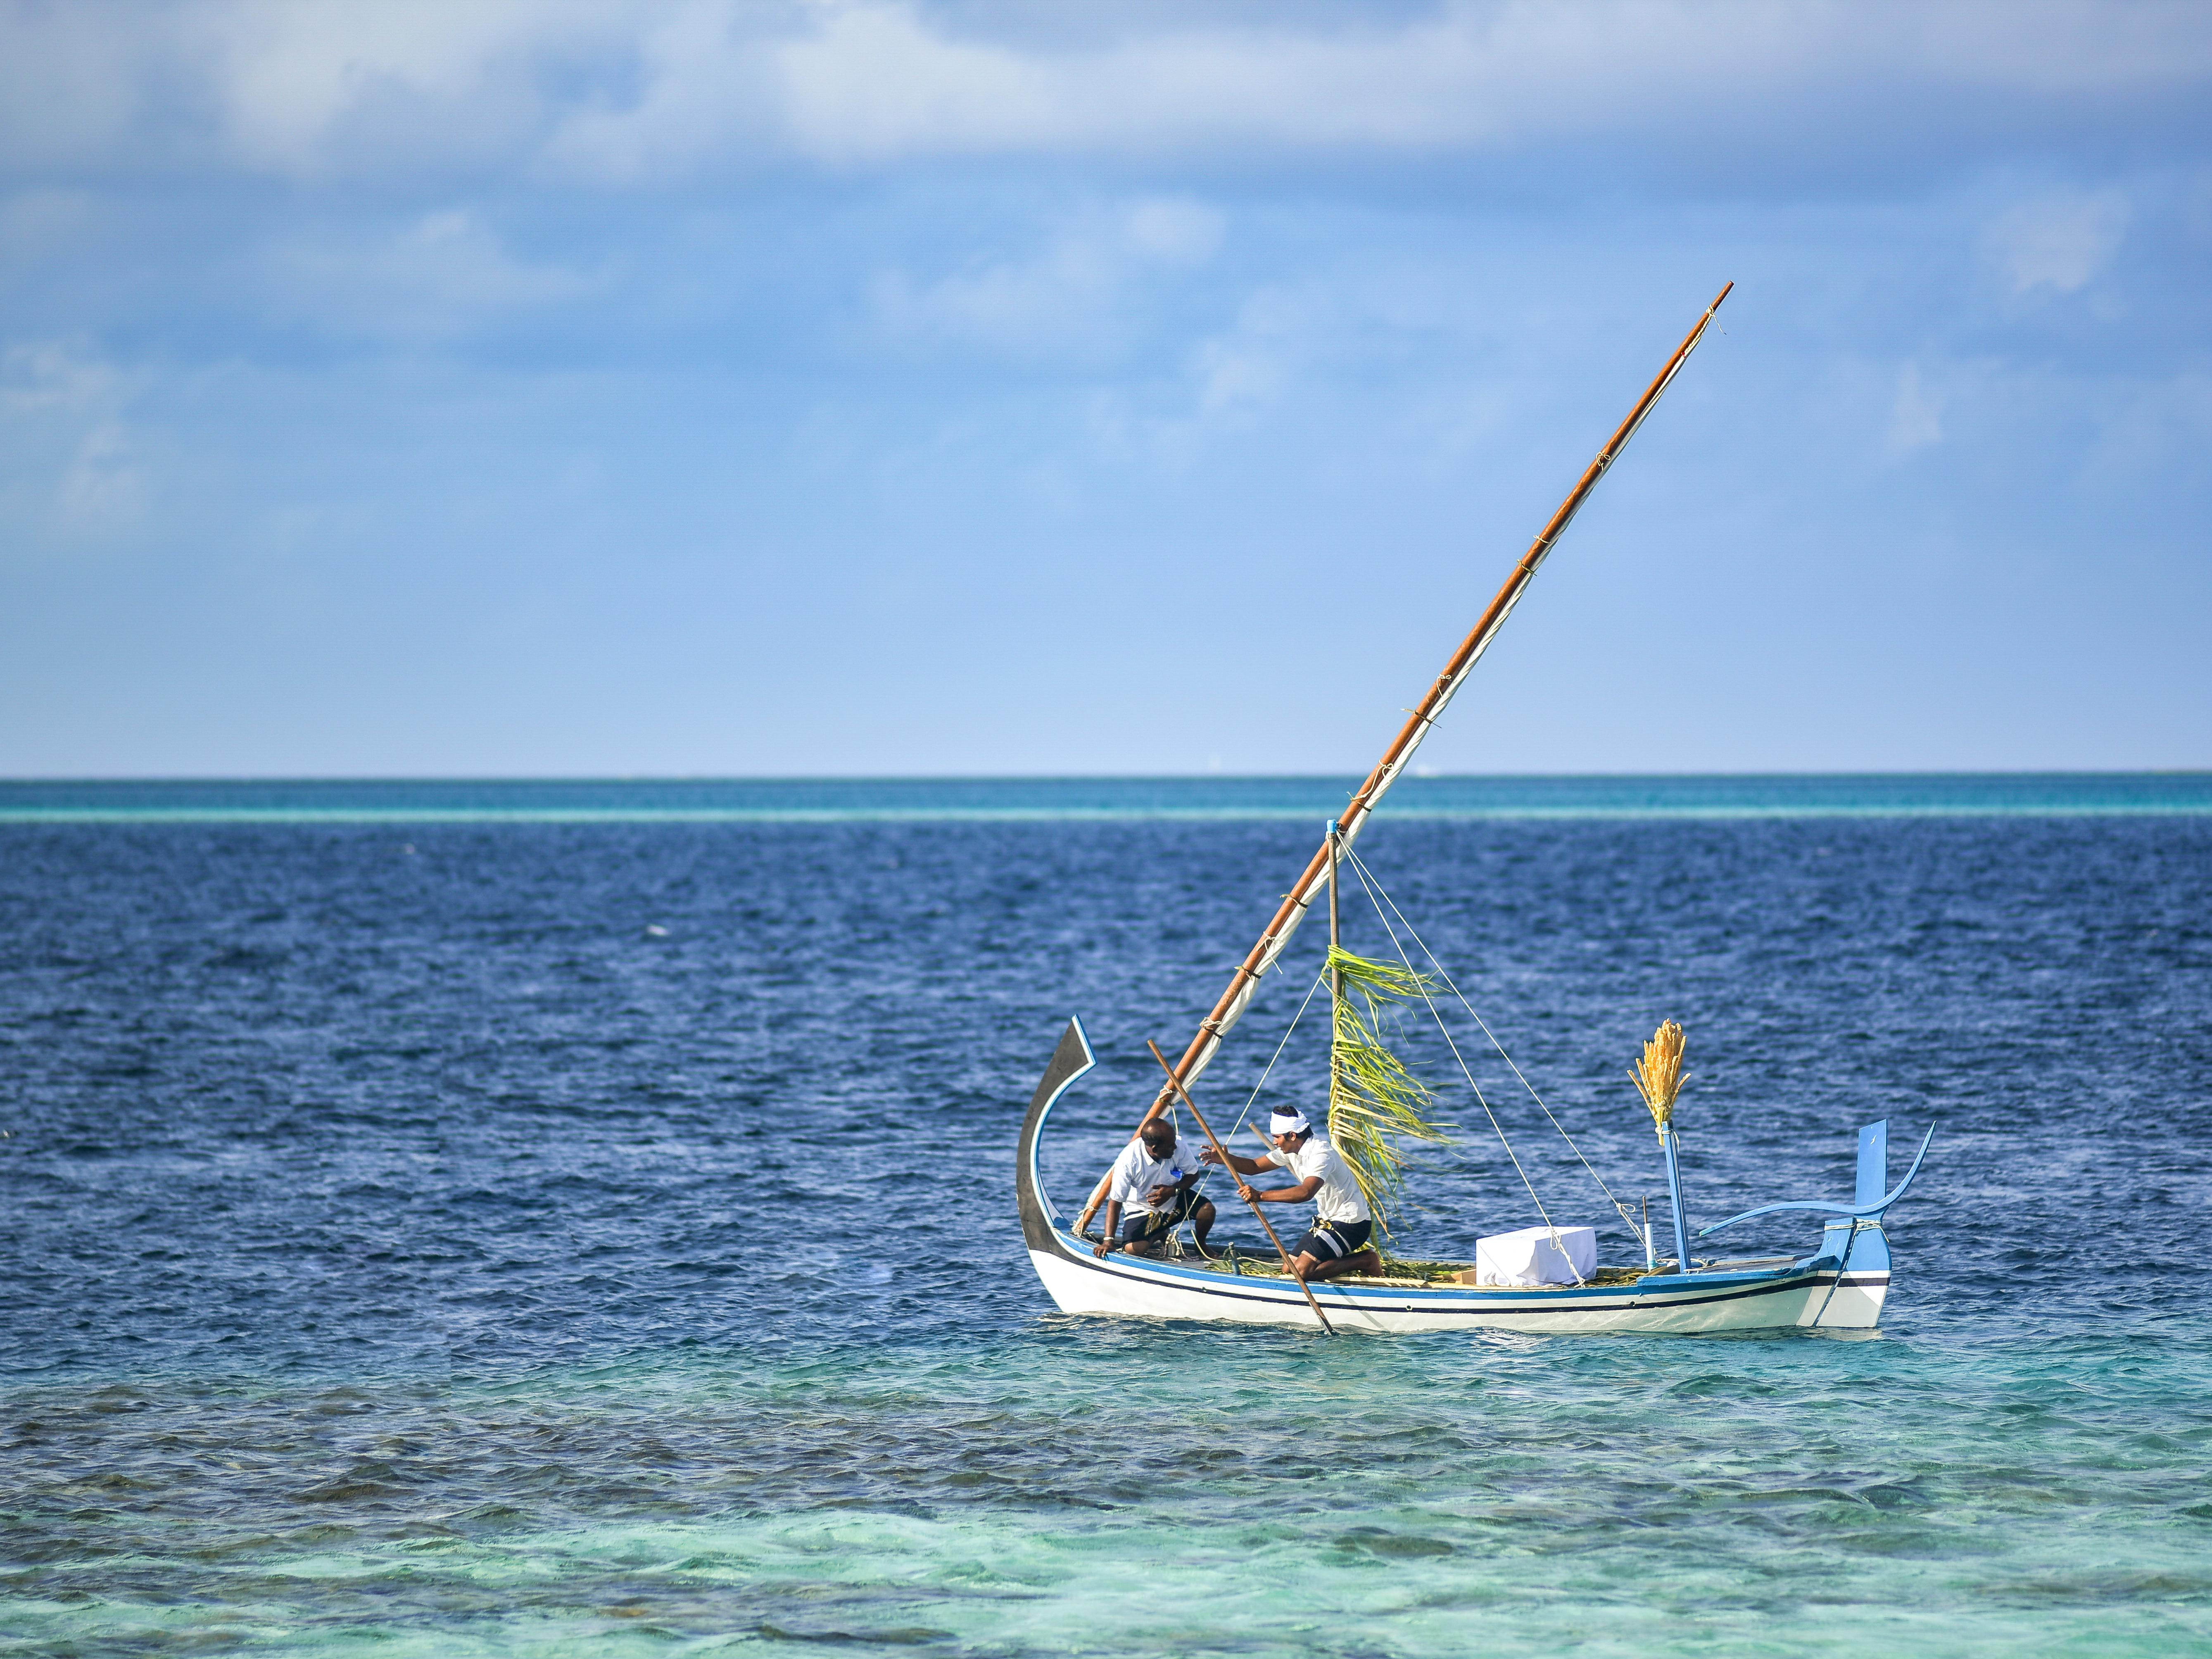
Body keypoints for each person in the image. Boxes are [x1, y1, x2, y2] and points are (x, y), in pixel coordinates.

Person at [1199, 1108, 1380, 1281]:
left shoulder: (1321, 1153)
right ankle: (1331, 1264)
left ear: (1292, 1136)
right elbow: (1255, 1167)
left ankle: (1366, 1260)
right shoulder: (1292, 1150)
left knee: (1301, 1271)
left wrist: (1261, 1196)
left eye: (1277, 1138)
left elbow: (1306, 1193)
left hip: (1351, 1225)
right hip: (1328, 1221)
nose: (1276, 1142)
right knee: (1289, 1268)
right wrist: (1225, 1159)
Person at [1094, 1114, 1216, 1259]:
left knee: (1208, 1211)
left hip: (1174, 1198)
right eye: (1171, 1146)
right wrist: (1108, 1241)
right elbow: (1115, 1202)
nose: (1175, 1147)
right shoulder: (1128, 1161)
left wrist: (1173, 1191)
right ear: (1155, 1148)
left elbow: (1194, 1175)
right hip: (1142, 1208)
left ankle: (1200, 1245)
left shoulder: (1178, 1145)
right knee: (1134, 1250)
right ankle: (1160, 1233)